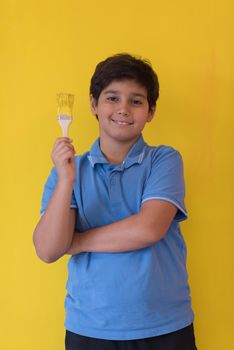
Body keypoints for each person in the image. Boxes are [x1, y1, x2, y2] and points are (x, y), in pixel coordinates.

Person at [33, 53, 197, 350]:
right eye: (112, 98)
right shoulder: (68, 171)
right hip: (90, 329)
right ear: (93, 104)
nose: (123, 109)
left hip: (165, 326)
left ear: (151, 111)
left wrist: (78, 242)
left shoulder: (164, 160)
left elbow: (148, 229)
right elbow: (47, 249)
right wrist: (67, 179)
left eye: (136, 101)